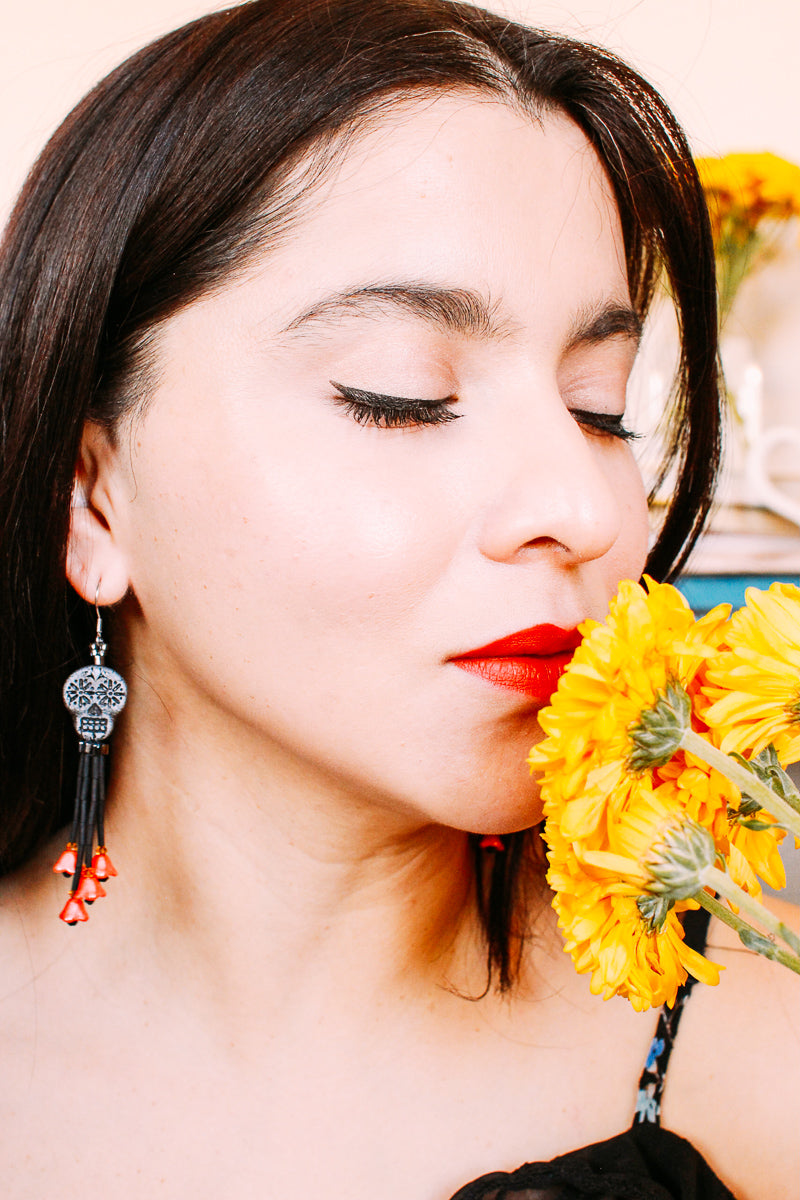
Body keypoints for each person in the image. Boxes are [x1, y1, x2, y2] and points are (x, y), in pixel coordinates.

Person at [0, 1, 796, 1196]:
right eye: (400, 395)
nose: (582, 511)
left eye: (599, 405)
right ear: (93, 498)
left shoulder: (756, 1070)